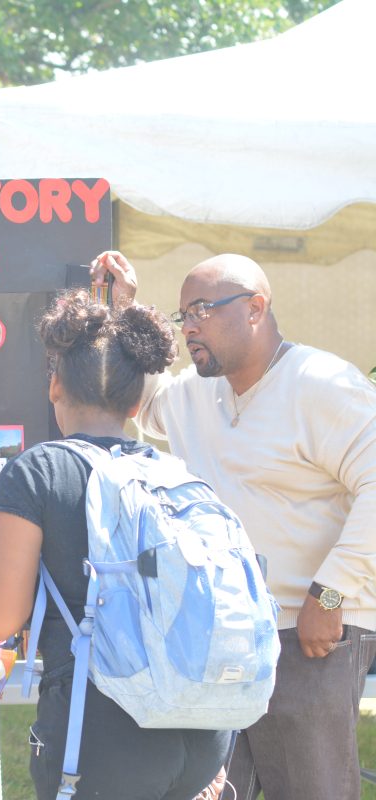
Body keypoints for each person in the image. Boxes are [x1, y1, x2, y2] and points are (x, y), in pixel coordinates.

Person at [92, 250, 376, 800]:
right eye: (183, 316)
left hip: (310, 636)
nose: (189, 327)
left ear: (255, 308)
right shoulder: (199, 393)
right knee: (212, 791)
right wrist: (125, 310)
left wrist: (333, 595)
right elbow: (144, 399)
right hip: (217, 638)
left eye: (201, 310)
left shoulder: (321, 383)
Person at [0, 291, 230, 799]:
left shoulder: (38, 472)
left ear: (54, 385)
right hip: (202, 734)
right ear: (136, 403)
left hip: (100, 732)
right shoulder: (174, 474)